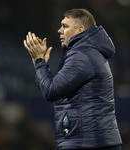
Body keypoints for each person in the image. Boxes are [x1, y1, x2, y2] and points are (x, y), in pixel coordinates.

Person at [24, 8, 122, 150]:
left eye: (65, 26)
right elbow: (54, 90)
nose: (59, 30)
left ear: (80, 30)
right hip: (92, 141)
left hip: (88, 143)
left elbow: (51, 92)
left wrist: (40, 62)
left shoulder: (82, 55)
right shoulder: (87, 52)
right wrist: (41, 66)